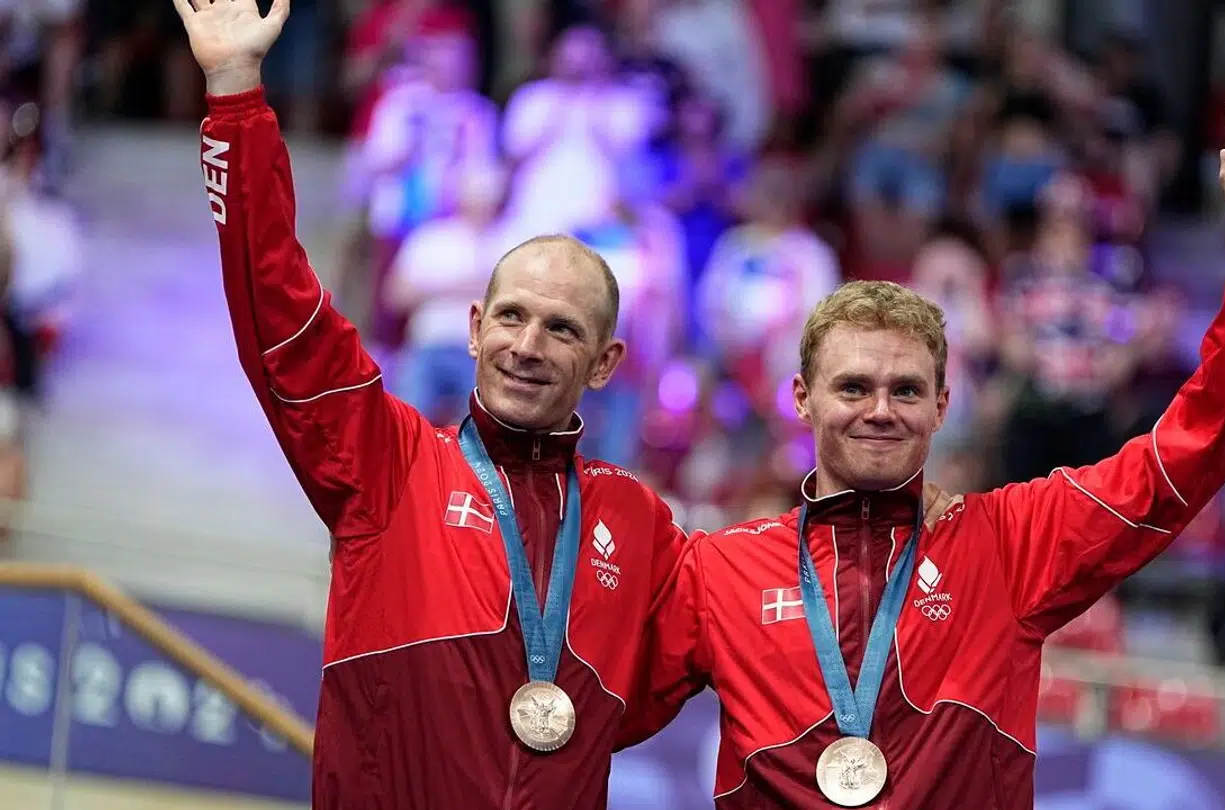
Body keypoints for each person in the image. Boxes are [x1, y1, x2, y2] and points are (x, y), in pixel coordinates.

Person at [173, 1, 959, 805]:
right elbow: (277, 307)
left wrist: (889, 502)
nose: (527, 345)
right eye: (511, 316)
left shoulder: (642, 527)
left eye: (561, 328)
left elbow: (772, 594)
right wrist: (236, 91)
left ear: (605, 361)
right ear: (474, 331)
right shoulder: (390, 462)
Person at [621, 98, 1225, 808]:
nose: (880, 409)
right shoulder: (720, 570)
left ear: (942, 407)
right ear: (802, 398)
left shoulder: (1011, 547)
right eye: (854, 386)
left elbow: (1183, 457)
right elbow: (583, 706)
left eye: (907, 390)